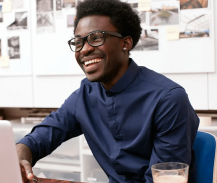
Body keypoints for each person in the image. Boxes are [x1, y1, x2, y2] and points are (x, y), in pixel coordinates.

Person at [16, 0, 199, 182]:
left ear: (125, 43)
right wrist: (20, 157)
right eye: (78, 42)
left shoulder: (168, 98)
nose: (85, 49)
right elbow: (42, 136)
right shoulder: (85, 94)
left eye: (96, 38)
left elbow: (163, 178)